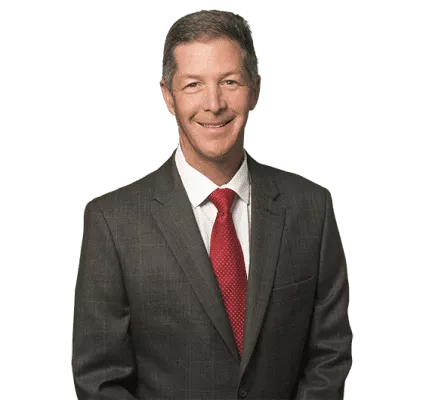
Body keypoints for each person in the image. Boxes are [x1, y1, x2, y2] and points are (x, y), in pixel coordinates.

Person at [72, 8, 352, 400]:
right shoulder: (112, 222)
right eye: (193, 85)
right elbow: (99, 380)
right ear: (168, 97)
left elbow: (329, 355)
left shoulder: (311, 209)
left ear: (255, 89)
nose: (214, 103)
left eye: (229, 81)